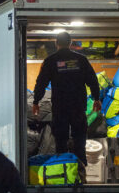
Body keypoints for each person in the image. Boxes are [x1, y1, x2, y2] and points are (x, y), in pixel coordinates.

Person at [33, 31, 100, 165]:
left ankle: (63, 174)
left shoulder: (50, 61)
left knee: (61, 143)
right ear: (70, 43)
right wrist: (96, 98)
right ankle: (81, 175)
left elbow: (41, 83)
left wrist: (36, 101)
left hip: (60, 108)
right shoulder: (81, 60)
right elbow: (93, 80)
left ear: (56, 43)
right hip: (78, 107)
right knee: (80, 144)